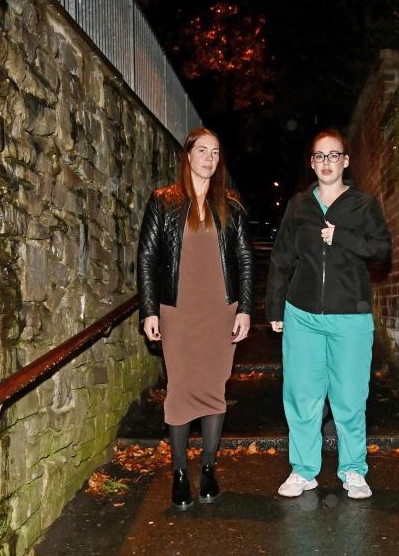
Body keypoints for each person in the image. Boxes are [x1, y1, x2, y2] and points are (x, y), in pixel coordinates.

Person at [266, 129, 392, 499]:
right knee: (302, 396)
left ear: (346, 161)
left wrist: (343, 238)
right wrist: (275, 307)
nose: (326, 163)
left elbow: (382, 250)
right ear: (312, 163)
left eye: (333, 155)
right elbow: (281, 258)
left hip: (350, 317)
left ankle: (353, 470)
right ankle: (303, 470)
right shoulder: (298, 206)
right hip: (302, 314)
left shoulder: (363, 204)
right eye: (319, 156)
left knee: (349, 398)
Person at [137, 127, 254, 510]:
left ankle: (207, 468)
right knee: (181, 389)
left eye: (215, 152)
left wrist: (246, 308)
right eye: (202, 150)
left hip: (219, 311)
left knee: (214, 390)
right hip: (178, 312)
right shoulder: (163, 201)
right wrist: (149, 310)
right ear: (187, 155)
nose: (209, 158)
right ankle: (179, 473)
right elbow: (148, 259)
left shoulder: (231, 204)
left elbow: (245, 260)